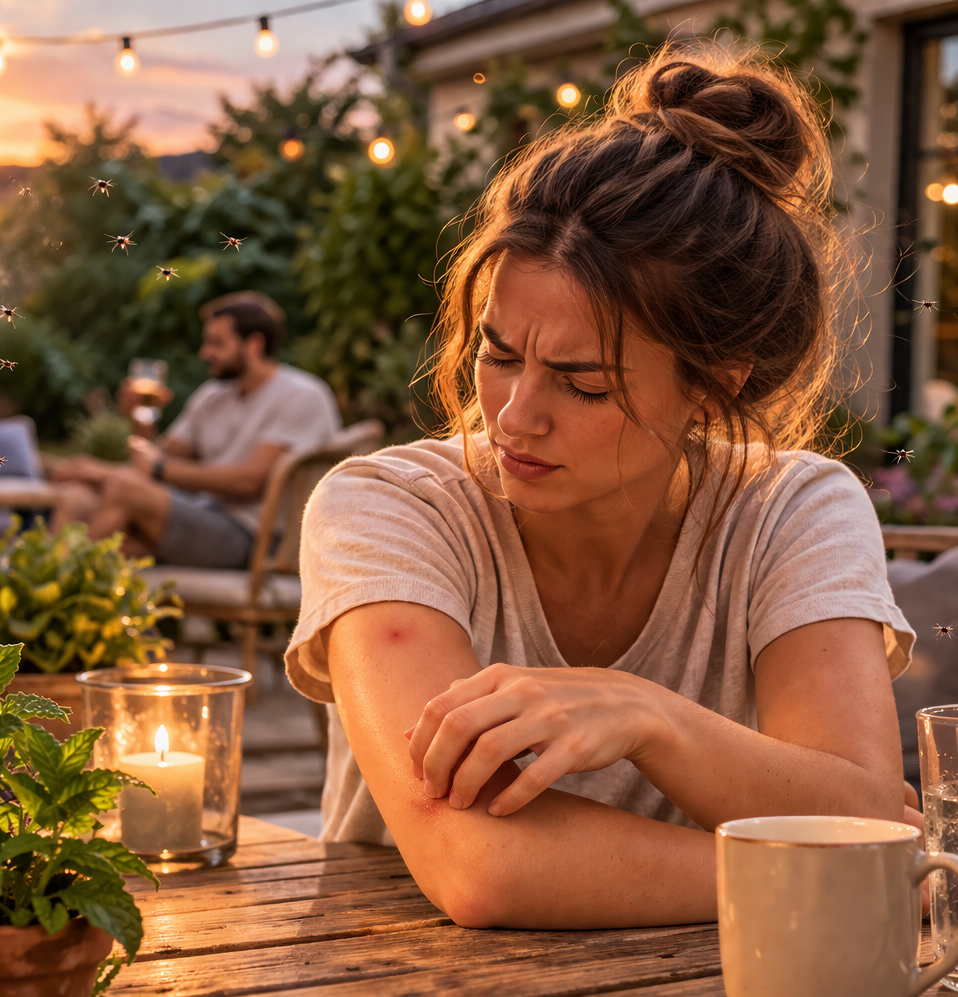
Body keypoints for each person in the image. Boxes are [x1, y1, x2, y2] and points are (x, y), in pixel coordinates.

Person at [283, 48, 919, 931]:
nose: (513, 417)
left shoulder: (793, 510)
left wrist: (650, 717)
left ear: (716, 384)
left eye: (584, 385)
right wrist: (826, 870)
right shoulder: (390, 510)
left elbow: (863, 812)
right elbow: (478, 868)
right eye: (497, 355)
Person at [52, 292, 341, 567]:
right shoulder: (213, 396)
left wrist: (148, 471)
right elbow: (157, 458)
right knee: (79, 499)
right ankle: (56, 597)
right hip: (203, 517)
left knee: (123, 494)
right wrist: (140, 419)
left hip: (256, 538)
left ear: (254, 344)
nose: (206, 353)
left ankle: (52, 596)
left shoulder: (302, 395)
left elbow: (250, 481)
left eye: (217, 343)